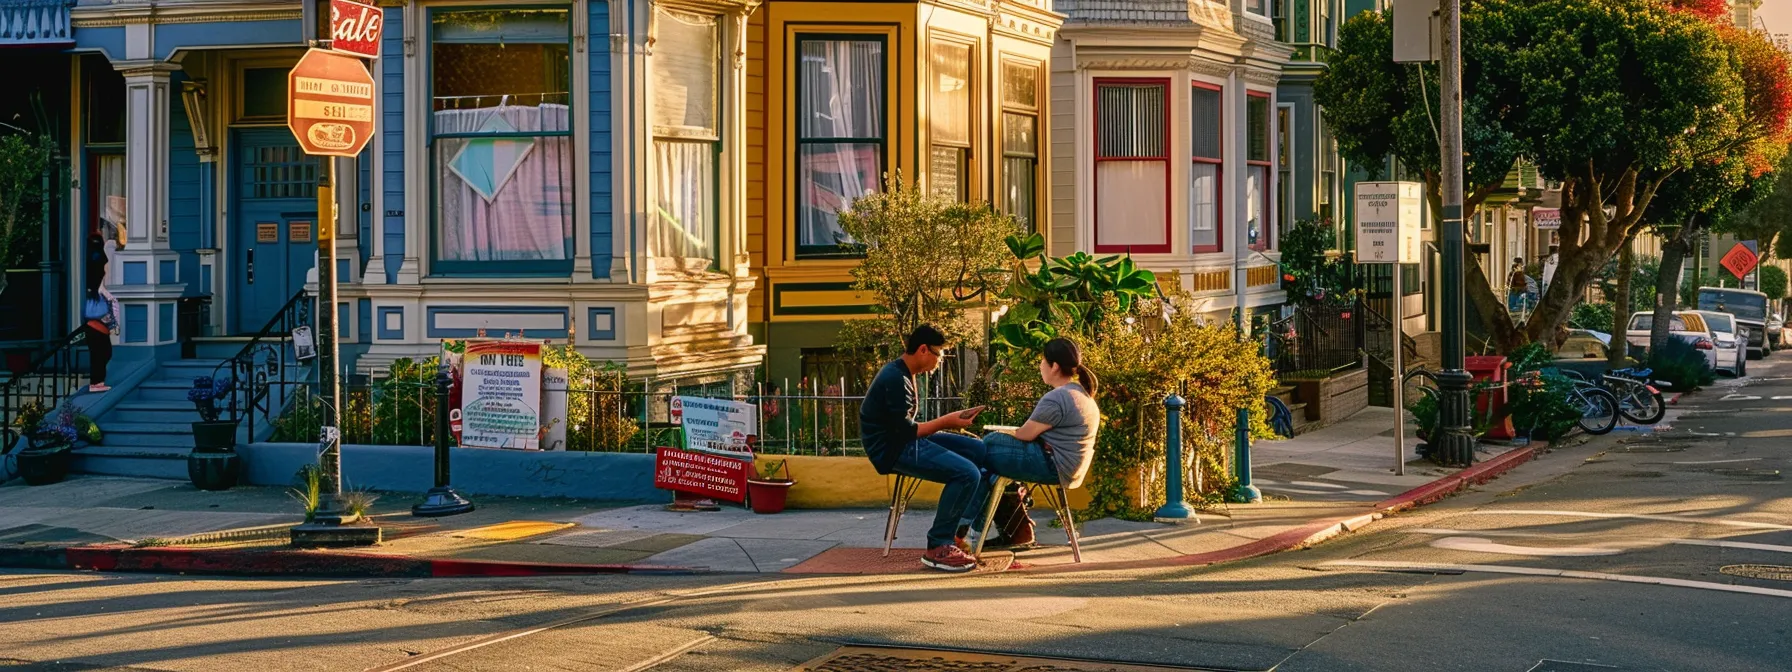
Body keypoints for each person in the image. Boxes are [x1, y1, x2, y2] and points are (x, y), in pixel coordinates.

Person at [859, 324, 988, 573]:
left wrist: (950, 424)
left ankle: (961, 529)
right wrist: (947, 421)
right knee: (967, 473)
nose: (940, 361)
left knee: (979, 450)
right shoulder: (895, 379)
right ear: (922, 350)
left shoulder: (906, 373)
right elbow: (906, 432)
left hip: (905, 440)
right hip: (892, 450)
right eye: (939, 354)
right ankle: (939, 545)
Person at [972, 338, 1101, 549]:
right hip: (1067, 468)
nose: (1040, 366)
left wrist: (1002, 433)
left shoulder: (1058, 397)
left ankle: (966, 529)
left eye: (1043, 361)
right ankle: (1016, 533)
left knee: (985, 445)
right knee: (991, 468)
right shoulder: (1081, 394)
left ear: (1055, 366)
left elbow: (1025, 435)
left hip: (1053, 465)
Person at [81, 227, 117, 393]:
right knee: (101, 352)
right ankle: (96, 382)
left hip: (96, 318)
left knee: (102, 351)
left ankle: (98, 381)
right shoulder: (95, 262)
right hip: (95, 318)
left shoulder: (89, 260)